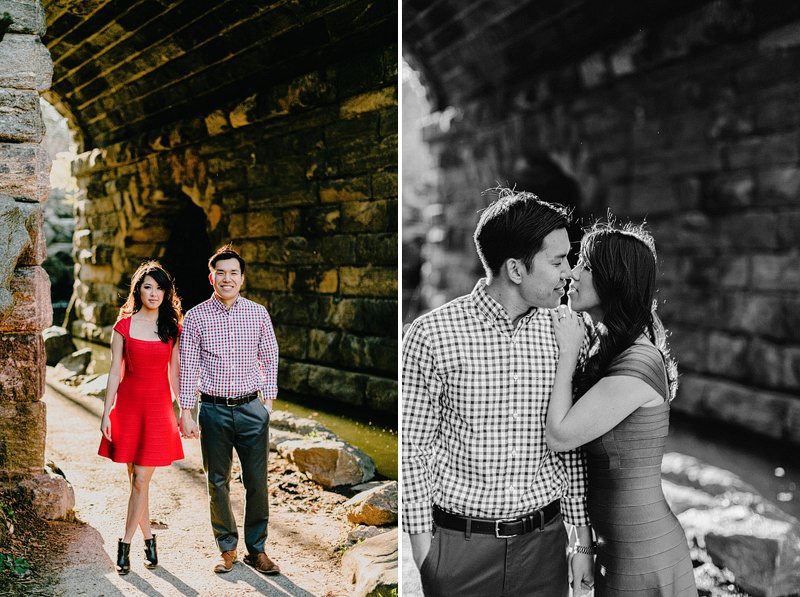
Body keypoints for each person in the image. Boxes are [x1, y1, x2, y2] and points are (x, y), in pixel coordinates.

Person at [402, 187, 595, 597]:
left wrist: (580, 541)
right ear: (515, 269)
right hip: (459, 552)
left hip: (544, 549)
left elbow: (571, 446)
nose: (570, 272)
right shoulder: (431, 335)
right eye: (558, 260)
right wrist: (426, 559)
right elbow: (412, 452)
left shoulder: (567, 331)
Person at [546, 221, 697, 596]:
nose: (572, 273)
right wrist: (581, 544)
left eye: (585, 265)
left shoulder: (639, 362)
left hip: (644, 553)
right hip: (616, 547)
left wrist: (567, 352)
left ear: (615, 280)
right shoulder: (609, 349)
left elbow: (561, 436)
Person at [178, 244, 280, 575]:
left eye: (233, 273)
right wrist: (187, 411)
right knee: (217, 481)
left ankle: (257, 549)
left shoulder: (258, 313)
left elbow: (270, 356)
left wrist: (267, 402)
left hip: (252, 408)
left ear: (242, 278)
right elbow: (189, 367)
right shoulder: (195, 317)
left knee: (257, 482)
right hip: (214, 411)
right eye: (220, 273)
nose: (227, 279)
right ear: (211, 278)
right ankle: (227, 548)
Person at [98, 261, 184, 575]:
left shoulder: (172, 327)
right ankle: (150, 541)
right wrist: (105, 412)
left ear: (166, 292)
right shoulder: (123, 326)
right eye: (148, 286)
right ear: (138, 289)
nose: (153, 293)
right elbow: (114, 372)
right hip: (129, 409)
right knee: (137, 482)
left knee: (140, 481)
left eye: (159, 287)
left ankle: (125, 544)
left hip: (158, 410)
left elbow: (174, 373)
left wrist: (183, 411)